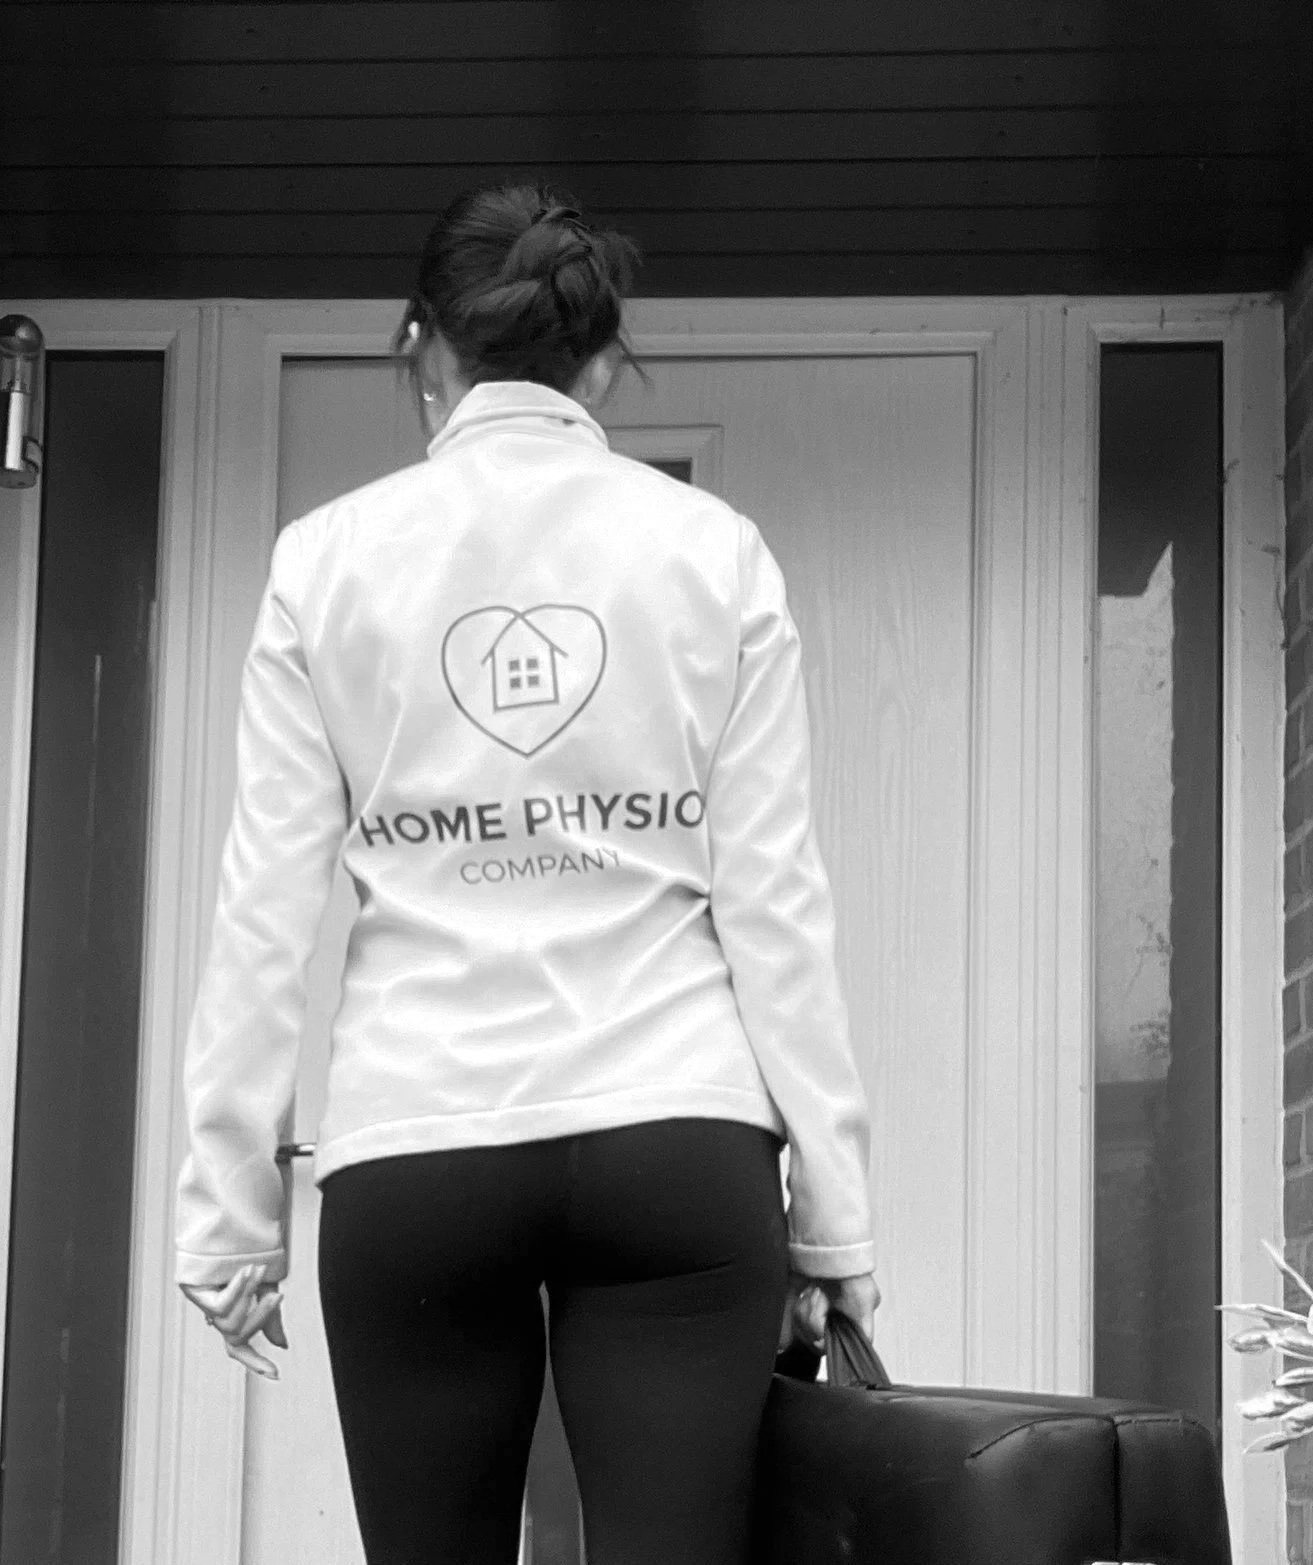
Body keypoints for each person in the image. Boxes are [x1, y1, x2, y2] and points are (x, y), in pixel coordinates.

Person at [172, 182, 877, 1565]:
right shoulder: (711, 554)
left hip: (420, 1139)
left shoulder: (326, 562)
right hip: (675, 1137)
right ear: (604, 361)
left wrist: (227, 1213)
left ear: (420, 347)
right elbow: (776, 900)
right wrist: (835, 1209)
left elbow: (266, 905)